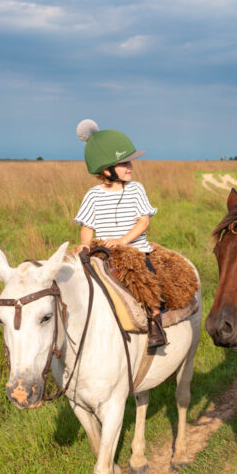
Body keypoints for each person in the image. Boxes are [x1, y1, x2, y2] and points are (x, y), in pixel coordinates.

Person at [74, 119, 167, 349]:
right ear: (107, 169)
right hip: (103, 251)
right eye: (124, 163)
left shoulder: (136, 189)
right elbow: (86, 226)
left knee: (148, 281)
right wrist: (86, 244)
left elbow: (143, 221)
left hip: (134, 249)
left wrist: (122, 242)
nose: (130, 167)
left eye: (130, 162)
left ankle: (155, 323)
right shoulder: (93, 195)